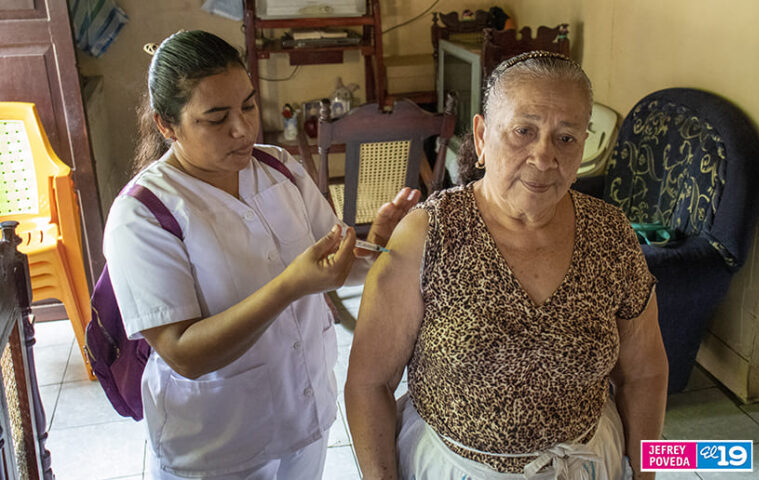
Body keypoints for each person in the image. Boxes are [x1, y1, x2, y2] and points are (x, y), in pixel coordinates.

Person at [103, 30, 419, 479]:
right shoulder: (143, 215)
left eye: (248, 106)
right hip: (217, 445)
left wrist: (377, 247)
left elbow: (331, 267)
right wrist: (290, 287)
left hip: (304, 417)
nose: (242, 128)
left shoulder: (278, 168)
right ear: (166, 125)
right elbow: (182, 353)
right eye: (216, 119)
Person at [345, 51, 669, 480]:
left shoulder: (610, 236)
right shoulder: (429, 235)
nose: (543, 156)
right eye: (523, 131)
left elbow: (646, 372)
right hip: (454, 466)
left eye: (566, 137)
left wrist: (646, 474)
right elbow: (369, 384)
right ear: (481, 137)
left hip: (589, 462)